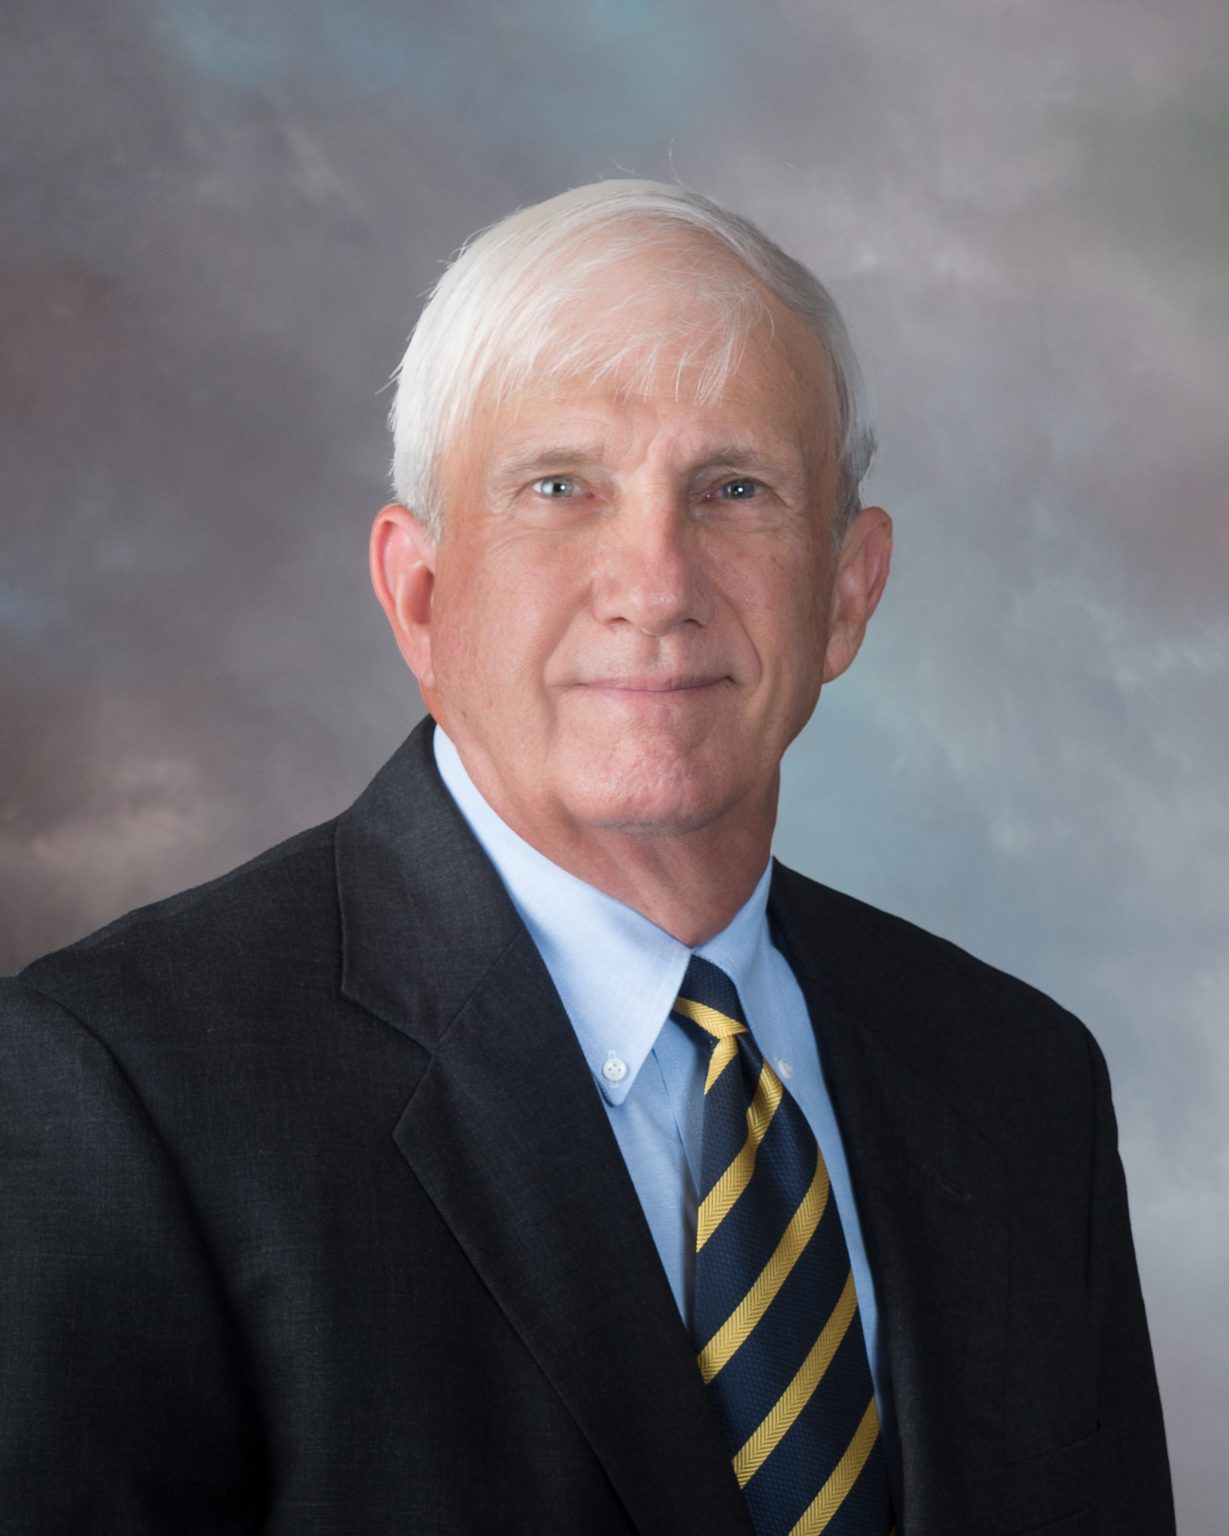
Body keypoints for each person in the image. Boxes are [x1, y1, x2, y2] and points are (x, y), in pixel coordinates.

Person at [0, 181, 1173, 1536]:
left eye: (735, 490)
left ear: (847, 591)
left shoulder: (1023, 1088)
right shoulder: (124, 1090)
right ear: (421, 594)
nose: (656, 584)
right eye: (560, 488)